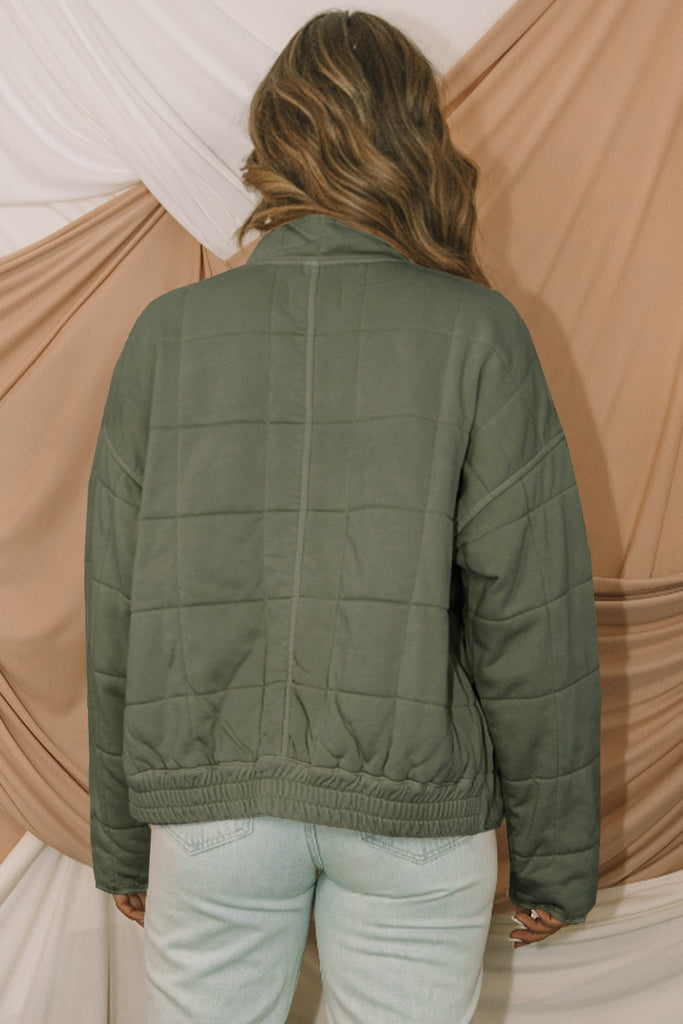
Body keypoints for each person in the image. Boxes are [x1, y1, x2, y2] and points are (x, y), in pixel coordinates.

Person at [85, 10, 601, 1024]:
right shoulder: (478, 333)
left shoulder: (167, 335)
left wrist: (123, 840)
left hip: (214, 805)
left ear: (272, 140)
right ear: (418, 138)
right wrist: (553, 858)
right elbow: (533, 618)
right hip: (413, 804)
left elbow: (117, 605)